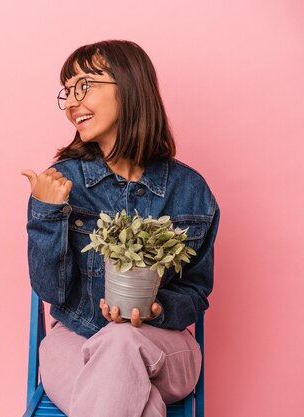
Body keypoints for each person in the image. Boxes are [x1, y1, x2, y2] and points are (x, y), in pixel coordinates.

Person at [20, 40, 220, 417]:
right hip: (73, 340)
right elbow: (51, 291)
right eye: (68, 89)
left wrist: (157, 310)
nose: (72, 101)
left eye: (85, 84)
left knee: (122, 341)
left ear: (130, 87)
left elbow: (196, 291)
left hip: (162, 345)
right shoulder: (60, 183)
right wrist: (47, 212)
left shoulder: (191, 191)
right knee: (132, 394)